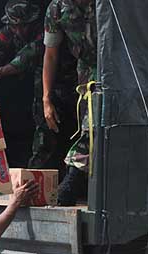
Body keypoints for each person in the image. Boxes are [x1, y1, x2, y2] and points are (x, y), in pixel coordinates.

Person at [0, 0, 78, 170]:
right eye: (14, 26)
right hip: (37, 82)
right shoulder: (9, 31)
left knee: (53, 124)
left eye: (23, 26)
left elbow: (26, 58)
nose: (19, 30)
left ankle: (43, 169)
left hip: (63, 81)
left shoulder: (43, 32)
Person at [43, 0, 97, 205]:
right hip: (87, 71)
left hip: (116, 66)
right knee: (89, 126)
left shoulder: (108, 4)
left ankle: (72, 181)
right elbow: (50, 55)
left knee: (93, 125)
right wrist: (46, 98)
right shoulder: (57, 9)